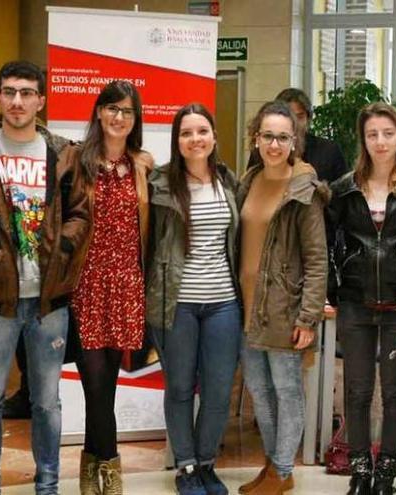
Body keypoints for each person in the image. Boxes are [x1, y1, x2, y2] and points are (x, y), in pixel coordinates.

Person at [0, 60, 89, 495]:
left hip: (50, 302)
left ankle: (47, 484)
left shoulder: (65, 153)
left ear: (41, 100)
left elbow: (82, 214)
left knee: (47, 402)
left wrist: (62, 249)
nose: (17, 101)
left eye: (27, 92)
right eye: (9, 91)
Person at [326, 102, 396, 495]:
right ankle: (360, 470)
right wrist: (331, 287)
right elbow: (324, 242)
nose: (380, 141)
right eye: (372, 134)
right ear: (363, 139)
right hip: (355, 304)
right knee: (356, 392)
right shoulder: (344, 189)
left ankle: (386, 473)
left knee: (394, 394)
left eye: (387, 133)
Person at [146, 103, 241, 495]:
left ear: (214, 137)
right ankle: (185, 466)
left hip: (223, 303)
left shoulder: (228, 180)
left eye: (202, 131)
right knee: (180, 388)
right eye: (186, 133)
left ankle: (205, 463)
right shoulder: (160, 184)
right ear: (177, 141)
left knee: (218, 391)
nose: (195, 139)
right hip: (176, 304)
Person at [236, 100, 328, 494]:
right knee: (260, 391)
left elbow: (317, 259)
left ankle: (282, 468)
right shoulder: (248, 180)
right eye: (268, 136)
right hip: (246, 309)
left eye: (283, 137)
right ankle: (276, 468)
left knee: (287, 391)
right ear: (256, 139)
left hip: (284, 310)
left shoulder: (303, 189)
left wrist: (307, 318)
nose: (274, 145)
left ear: (294, 142)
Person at [71, 80, 154, 495]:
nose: (119, 117)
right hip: (87, 285)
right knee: (95, 383)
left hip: (126, 285)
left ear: (135, 119)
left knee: (108, 385)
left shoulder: (144, 165)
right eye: (112, 108)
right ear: (99, 113)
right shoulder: (76, 162)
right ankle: (108, 473)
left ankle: (94, 474)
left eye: (127, 111)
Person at [275, 87, 349, 183]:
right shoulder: (266, 150)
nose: (295, 123)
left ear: (308, 119)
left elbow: (345, 193)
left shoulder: (329, 151)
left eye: (300, 117)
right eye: (288, 116)